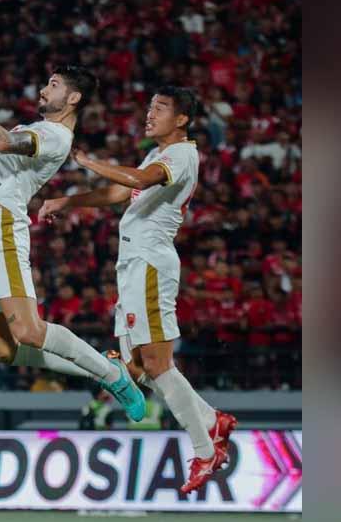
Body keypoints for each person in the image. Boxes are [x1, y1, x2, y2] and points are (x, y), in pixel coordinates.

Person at [39, 86, 237, 494]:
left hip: (149, 264)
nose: (150, 114)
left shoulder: (181, 155)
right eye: (149, 107)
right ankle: (210, 418)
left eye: (160, 108)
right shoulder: (158, 154)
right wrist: (67, 201)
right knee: (138, 366)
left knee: (157, 363)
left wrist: (86, 160)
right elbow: (119, 191)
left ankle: (205, 449)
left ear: (181, 119)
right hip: (131, 266)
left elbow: (137, 179)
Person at [0, 65, 146, 421]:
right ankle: (98, 367)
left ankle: (112, 375)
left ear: (73, 98)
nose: (43, 90)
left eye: (53, 85)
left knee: (28, 330)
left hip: (1, 226)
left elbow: (3, 142)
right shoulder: (32, 129)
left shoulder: (55, 135)